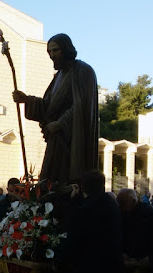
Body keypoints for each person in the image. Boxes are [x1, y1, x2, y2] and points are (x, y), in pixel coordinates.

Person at [12, 33, 98, 184]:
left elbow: (82, 105)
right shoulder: (58, 77)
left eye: (56, 50)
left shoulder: (83, 71)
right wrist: (26, 99)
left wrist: (60, 123)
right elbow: (48, 106)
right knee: (49, 180)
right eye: (49, 52)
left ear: (66, 49)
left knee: (64, 179)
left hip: (72, 140)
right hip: (56, 139)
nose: (52, 55)